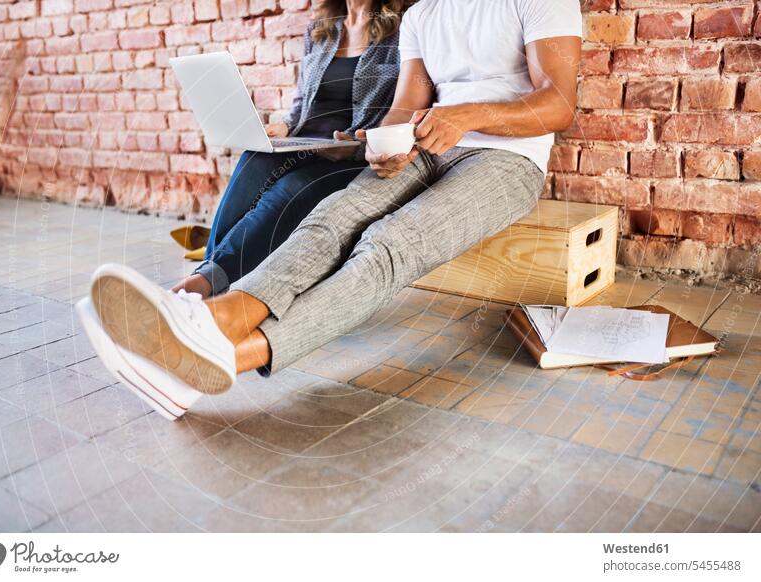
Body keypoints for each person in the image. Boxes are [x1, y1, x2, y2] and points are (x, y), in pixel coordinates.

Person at [79, 0, 583, 420]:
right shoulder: (423, 14)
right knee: (332, 216)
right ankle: (204, 323)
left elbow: (559, 103)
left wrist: (469, 115)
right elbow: (408, 106)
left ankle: (217, 349)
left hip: (508, 159)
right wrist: (385, 142)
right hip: (427, 144)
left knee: (390, 243)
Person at [173, 0, 408, 297]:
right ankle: (211, 270)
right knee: (254, 158)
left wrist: (356, 147)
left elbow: (404, 109)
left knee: (292, 186)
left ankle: (204, 284)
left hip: (352, 153)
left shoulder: (401, 30)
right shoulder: (320, 29)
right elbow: (301, 104)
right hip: (305, 141)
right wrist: (283, 128)